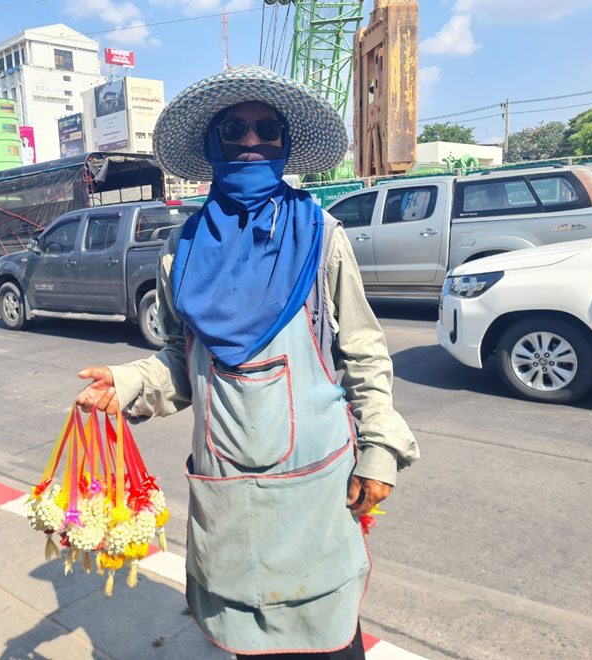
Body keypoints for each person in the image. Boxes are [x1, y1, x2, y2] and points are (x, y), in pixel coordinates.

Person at [76, 65, 419, 659]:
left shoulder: (322, 234)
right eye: (234, 129)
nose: (252, 142)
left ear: (285, 144)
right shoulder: (179, 251)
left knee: (331, 641)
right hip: (227, 491)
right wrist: (130, 381)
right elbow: (185, 357)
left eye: (267, 129)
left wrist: (380, 449)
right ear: (213, 146)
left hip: (316, 492)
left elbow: (364, 350)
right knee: (245, 640)